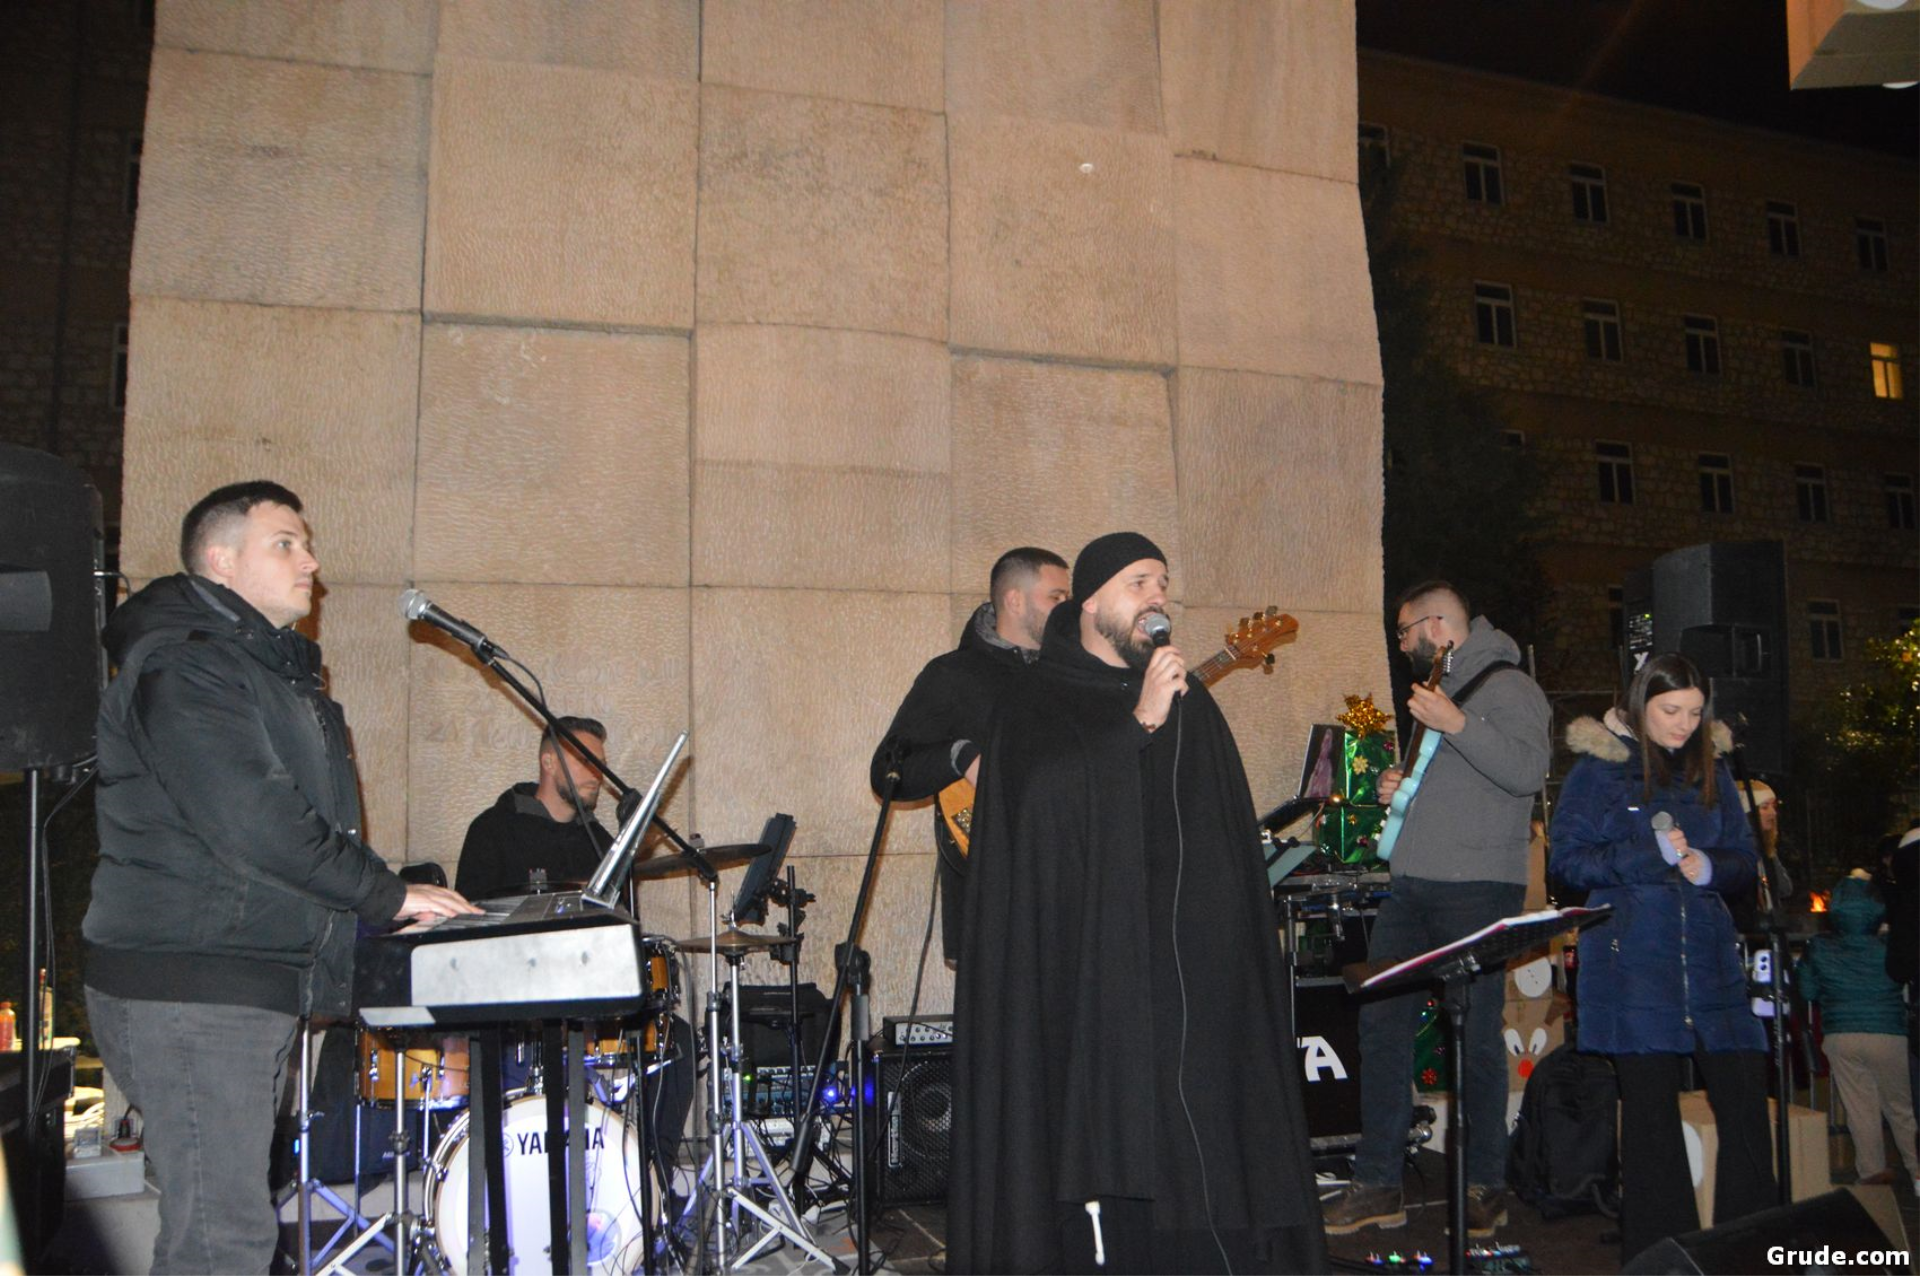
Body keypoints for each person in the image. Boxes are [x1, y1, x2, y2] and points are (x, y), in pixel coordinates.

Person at [82, 481, 476, 1275]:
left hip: (232, 982)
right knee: (221, 1243)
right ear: (220, 561)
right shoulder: (187, 668)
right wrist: (387, 893)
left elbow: (290, 827)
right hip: (192, 985)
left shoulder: (256, 670)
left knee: (225, 1232)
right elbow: (256, 821)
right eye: (286, 544)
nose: (312, 563)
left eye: (308, 544)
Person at [949, 532, 1327, 1276]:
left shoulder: (1189, 701)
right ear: (1090, 602)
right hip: (1083, 982)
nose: (1157, 596)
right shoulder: (1034, 699)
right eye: (1138, 582)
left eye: (1162, 582)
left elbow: (1219, 837)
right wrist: (1138, 726)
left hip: (1184, 983)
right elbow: (1042, 815)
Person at [1322, 582, 1549, 1237]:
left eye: (1404, 632)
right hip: (1415, 884)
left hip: (1477, 886)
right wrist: (1401, 786)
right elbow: (1452, 781)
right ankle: (1379, 1183)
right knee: (1381, 1027)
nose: (1400, 645)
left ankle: (1485, 1185)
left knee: (1474, 1036)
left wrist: (1457, 725)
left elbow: (1527, 771)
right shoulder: (1439, 686)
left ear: (1438, 623)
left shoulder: (1507, 685)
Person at [1549, 653, 1775, 1262]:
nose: (1684, 724)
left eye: (1695, 713)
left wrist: (1711, 868)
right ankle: (1660, 1259)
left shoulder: (1714, 769)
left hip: (1710, 962)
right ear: (1640, 703)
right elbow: (1567, 863)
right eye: (1671, 710)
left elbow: (1744, 857)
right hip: (1633, 965)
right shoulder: (1598, 771)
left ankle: (1749, 1254)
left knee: (1746, 1105)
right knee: (1651, 1123)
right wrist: (1647, 856)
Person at [870, 546, 1069, 962]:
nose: (1067, 609)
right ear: (1014, 600)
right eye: (1056, 597)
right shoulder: (953, 676)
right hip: (990, 899)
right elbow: (888, 770)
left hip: (1067, 888)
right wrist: (961, 757)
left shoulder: (1070, 677)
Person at [1795, 871, 1920, 1193]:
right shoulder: (1890, 945)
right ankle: (1918, 1175)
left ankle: (1872, 1179)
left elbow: (1806, 990)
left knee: (1860, 1111)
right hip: (1889, 1034)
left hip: (1841, 1036)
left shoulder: (1820, 947)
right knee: (1902, 1110)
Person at [454, 715, 613, 900]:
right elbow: (469, 911)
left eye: (601, 765)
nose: (596, 774)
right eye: (585, 761)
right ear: (549, 763)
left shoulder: (598, 841)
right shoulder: (492, 830)